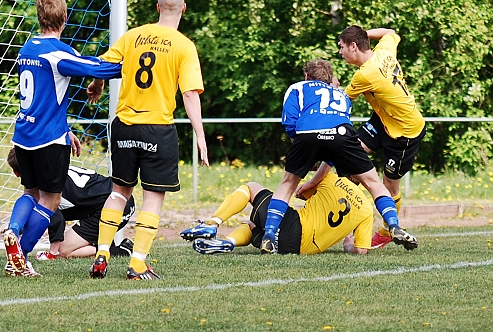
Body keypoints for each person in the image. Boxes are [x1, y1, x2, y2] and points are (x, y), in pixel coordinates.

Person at [86, 0, 209, 280]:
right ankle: (137, 263)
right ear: (183, 8)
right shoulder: (183, 45)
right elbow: (190, 95)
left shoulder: (133, 36)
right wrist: (201, 137)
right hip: (157, 129)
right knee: (153, 197)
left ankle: (102, 252)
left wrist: (98, 85)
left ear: (157, 7)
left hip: (124, 125)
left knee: (119, 192)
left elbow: (102, 64)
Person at [3, 0, 122, 277]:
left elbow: (46, 93)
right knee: (51, 200)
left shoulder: (27, 49)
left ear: (39, 17)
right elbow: (100, 67)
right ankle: (21, 254)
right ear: (65, 18)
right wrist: (127, 63)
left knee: (29, 193)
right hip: (48, 140)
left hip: (23, 135)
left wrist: (66, 128)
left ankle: (13, 229)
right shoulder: (59, 54)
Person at [259, 59, 417, 254]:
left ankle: (269, 235)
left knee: (287, 185)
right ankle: (393, 224)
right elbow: (336, 136)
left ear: (307, 76)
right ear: (329, 79)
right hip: (342, 134)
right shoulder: (341, 95)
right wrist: (322, 155)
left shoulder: (298, 87)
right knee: (374, 183)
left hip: (308, 133)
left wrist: (306, 154)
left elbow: (290, 123)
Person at [338, 26, 426, 249]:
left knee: (389, 187)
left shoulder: (365, 74)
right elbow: (391, 32)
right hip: (383, 119)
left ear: (353, 46)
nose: (340, 53)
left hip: (405, 132)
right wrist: (363, 33)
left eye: (341, 47)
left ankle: (387, 231)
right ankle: (355, 215)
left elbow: (340, 101)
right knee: (349, 156)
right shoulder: (384, 51)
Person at [181, 166, 373, 255]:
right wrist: (348, 242)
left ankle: (212, 223)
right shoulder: (366, 210)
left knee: (251, 187)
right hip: (296, 249)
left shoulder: (328, 178)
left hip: (293, 227)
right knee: (252, 225)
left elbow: (299, 194)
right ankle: (228, 242)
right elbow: (361, 250)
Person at [5, 147, 135, 261]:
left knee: (64, 250)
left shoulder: (45, 187)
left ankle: (120, 250)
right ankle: (103, 243)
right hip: (119, 196)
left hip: (115, 206)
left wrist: (53, 253)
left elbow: (57, 218)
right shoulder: (52, 170)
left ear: (17, 173)